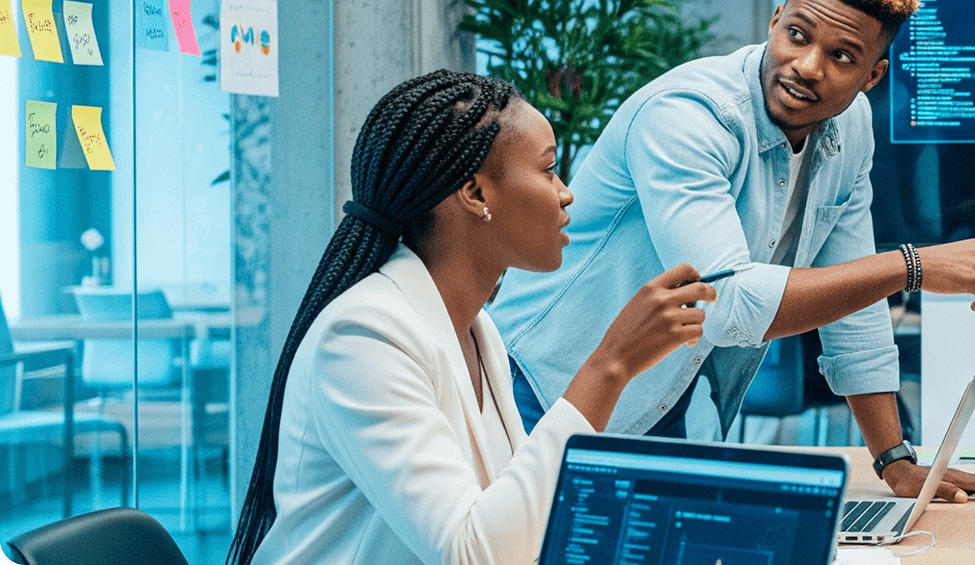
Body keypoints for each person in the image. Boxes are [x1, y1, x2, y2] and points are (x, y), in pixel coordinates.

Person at [491, 0, 975, 502]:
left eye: (842, 57)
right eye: (797, 35)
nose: (807, 67)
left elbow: (854, 312)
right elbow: (723, 305)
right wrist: (912, 267)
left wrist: (895, 462)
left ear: (872, 78)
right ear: (776, 20)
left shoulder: (850, 128)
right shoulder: (688, 117)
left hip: (657, 400)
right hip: (540, 388)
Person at [228, 71, 717, 565]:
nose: (566, 194)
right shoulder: (362, 337)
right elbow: (475, 553)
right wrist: (610, 365)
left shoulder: (478, 331)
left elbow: (522, 519)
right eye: (548, 170)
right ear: (476, 194)